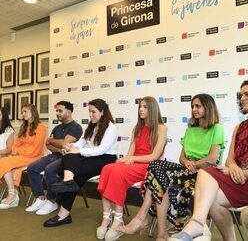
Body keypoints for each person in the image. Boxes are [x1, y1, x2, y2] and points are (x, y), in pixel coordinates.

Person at [120, 94, 225, 241]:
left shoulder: (217, 128)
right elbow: (182, 157)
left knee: (157, 178)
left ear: (208, 107)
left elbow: (212, 158)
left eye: (198, 106)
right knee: (156, 167)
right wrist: (187, 162)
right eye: (192, 106)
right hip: (188, 169)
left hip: (206, 173)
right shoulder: (190, 130)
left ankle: (145, 220)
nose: (194, 109)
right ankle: (159, 231)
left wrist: (194, 164)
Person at [169, 79, 248, 241]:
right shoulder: (239, 127)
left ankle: (196, 223)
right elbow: (229, 159)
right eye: (241, 95)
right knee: (210, 192)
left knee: (207, 171)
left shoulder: (217, 128)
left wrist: (241, 171)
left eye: (247, 94)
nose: (242, 98)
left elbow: (214, 158)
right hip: (240, 181)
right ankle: (200, 223)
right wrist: (233, 166)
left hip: (245, 178)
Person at [96, 96, 167, 241]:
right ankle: (106, 218)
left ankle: (118, 220)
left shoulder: (161, 128)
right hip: (135, 164)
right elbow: (130, 154)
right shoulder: (137, 128)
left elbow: (154, 156)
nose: (141, 109)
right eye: (140, 106)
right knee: (108, 168)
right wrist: (122, 160)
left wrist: (131, 159)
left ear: (153, 109)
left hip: (150, 167)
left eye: (145, 107)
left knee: (117, 172)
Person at [43, 98, 118, 227]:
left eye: (93, 112)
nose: (90, 115)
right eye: (89, 112)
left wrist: (78, 151)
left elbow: (102, 149)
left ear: (102, 112)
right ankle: (67, 182)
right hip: (90, 156)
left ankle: (63, 213)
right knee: (68, 156)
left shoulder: (111, 127)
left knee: (76, 173)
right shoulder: (91, 126)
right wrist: (70, 147)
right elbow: (81, 142)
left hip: (105, 159)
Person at [25, 101, 82, 215]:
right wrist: (57, 146)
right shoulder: (56, 128)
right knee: (32, 168)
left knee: (49, 170)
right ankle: (40, 198)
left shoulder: (76, 127)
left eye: (60, 111)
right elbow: (48, 145)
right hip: (55, 155)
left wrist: (52, 140)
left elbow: (64, 143)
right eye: (56, 111)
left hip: (68, 158)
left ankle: (52, 201)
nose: (57, 113)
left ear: (69, 111)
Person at [0, 103, 46, 209]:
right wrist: (16, 151)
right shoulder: (24, 127)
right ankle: (13, 194)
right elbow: (16, 144)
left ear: (33, 112)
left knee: (4, 162)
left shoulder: (41, 127)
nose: (23, 114)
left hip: (34, 157)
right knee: (6, 162)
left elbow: (36, 148)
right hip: (22, 156)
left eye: (25, 111)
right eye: (22, 112)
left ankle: (12, 195)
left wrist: (18, 151)